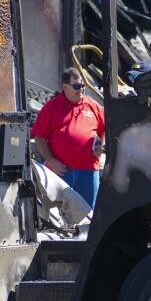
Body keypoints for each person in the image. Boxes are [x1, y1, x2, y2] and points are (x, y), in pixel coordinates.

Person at [31, 67, 105, 208]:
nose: (81, 89)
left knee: (88, 214)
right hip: (62, 171)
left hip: (88, 171)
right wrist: (51, 160)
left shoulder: (93, 106)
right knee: (59, 216)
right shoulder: (51, 107)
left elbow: (105, 129)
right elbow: (39, 137)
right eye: (76, 86)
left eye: (83, 86)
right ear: (65, 87)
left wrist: (101, 146)